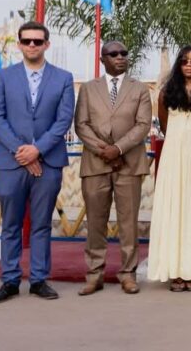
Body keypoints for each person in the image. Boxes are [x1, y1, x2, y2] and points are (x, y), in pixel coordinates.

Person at [0, 21, 75, 303]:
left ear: (47, 44)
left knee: (41, 224)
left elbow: (63, 120)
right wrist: (21, 152)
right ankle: (10, 280)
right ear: (19, 44)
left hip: (48, 162)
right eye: (27, 41)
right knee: (10, 224)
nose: (32, 45)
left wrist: (37, 150)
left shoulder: (63, 78)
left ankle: (39, 280)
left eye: (38, 41)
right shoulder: (3, 77)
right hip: (10, 163)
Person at [74, 41, 153, 296]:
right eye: (114, 54)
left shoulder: (139, 88)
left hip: (129, 164)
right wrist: (104, 151)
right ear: (102, 59)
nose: (120, 57)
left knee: (128, 223)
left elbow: (143, 125)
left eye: (124, 53)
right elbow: (81, 124)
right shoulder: (88, 88)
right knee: (95, 222)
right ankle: (94, 275)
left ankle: (128, 274)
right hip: (95, 164)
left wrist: (118, 149)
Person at [148, 46, 191, 292]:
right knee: (174, 207)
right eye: (184, 61)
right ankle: (175, 271)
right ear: (178, 64)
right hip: (174, 156)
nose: (189, 65)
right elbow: (165, 126)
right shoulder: (167, 92)